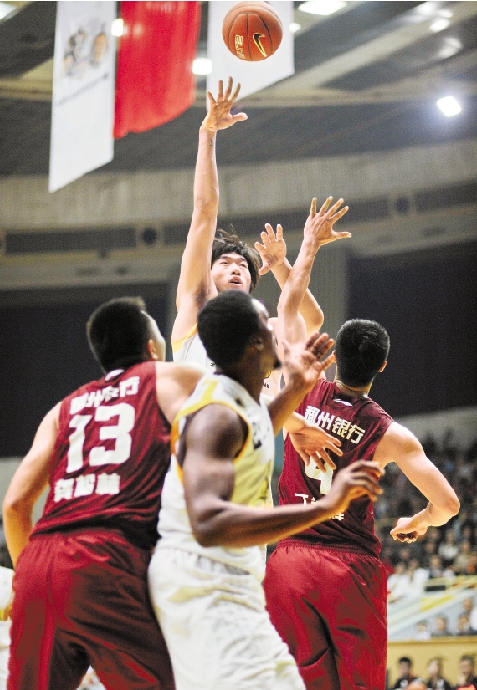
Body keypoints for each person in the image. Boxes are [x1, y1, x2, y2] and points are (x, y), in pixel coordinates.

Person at [263, 198, 460, 690]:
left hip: (288, 560)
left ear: (333, 354)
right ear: (382, 367)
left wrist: (292, 259)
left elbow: (291, 308)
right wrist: (421, 520)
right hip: (349, 569)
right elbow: (448, 505)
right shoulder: (391, 435)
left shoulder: (301, 388)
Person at [148, 290, 383, 690]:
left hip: (231, 583)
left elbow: (257, 431)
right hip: (201, 586)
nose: (276, 329)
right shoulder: (217, 417)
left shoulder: (242, 401)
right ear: (256, 344)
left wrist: (296, 389)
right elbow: (208, 522)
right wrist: (326, 506)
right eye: (266, 323)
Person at [3, 297, 209, 690]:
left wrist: (23, 579)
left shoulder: (63, 408)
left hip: (40, 563)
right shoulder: (170, 377)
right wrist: (297, 423)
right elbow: (245, 399)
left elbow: (14, 505)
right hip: (106, 557)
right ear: (152, 348)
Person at [172, 76, 343, 466]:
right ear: (206, 275)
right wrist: (208, 133)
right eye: (224, 263)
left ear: (251, 282)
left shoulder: (266, 333)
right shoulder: (196, 309)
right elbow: (204, 213)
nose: (235, 268)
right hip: (198, 458)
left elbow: (309, 319)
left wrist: (282, 265)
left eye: (243, 266)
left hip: (253, 462)